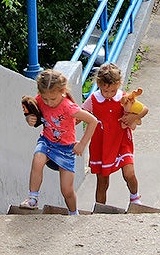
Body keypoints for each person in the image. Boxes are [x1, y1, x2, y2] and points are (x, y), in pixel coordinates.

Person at [20, 69, 97, 214]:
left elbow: (93, 121)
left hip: (66, 149)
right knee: (37, 159)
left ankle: (74, 213)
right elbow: (34, 115)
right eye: (45, 99)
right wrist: (29, 119)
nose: (48, 103)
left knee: (67, 190)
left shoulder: (69, 107)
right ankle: (33, 198)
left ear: (62, 91)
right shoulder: (40, 100)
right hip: (47, 142)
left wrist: (82, 144)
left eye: (53, 99)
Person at [82, 62, 147, 208]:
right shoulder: (93, 99)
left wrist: (131, 118)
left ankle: (135, 198)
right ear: (99, 83)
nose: (109, 95)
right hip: (102, 144)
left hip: (122, 141)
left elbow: (144, 110)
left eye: (112, 91)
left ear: (118, 84)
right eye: (105, 92)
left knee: (129, 173)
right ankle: (100, 207)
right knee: (102, 181)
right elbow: (81, 114)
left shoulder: (124, 98)